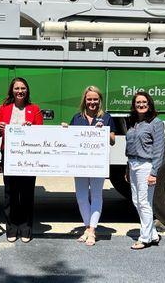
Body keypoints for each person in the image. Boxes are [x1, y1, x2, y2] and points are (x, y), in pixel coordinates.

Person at [62, 86, 116, 246]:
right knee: (81, 196)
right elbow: (69, 140)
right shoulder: (77, 118)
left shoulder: (106, 117)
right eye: (89, 99)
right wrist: (65, 130)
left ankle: (92, 230)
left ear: (100, 101)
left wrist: (104, 132)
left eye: (95, 99)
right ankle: (87, 227)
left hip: (97, 164)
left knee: (97, 195)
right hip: (79, 164)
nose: (92, 102)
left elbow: (113, 140)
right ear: (84, 101)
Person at [0, 77, 43, 243]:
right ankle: (12, 228)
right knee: (10, 193)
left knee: (27, 192)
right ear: (12, 91)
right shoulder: (4, 108)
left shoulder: (34, 109)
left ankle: (26, 228)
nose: (20, 91)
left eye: (23, 88)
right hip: (9, 155)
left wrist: (32, 129)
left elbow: (41, 133)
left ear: (27, 90)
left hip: (29, 156)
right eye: (17, 88)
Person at [126, 91, 165, 250]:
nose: (141, 105)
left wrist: (154, 172)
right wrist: (127, 168)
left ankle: (144, 238)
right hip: (133, 164)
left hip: (146, 166)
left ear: (149, 104)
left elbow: (159, 149)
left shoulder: (156, 122)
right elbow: (129, 147)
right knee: (137, 201)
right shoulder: (133, 122)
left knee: (144, 202)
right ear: (134, 105)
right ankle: (154, 234)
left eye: (144, 102)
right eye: (137, 102)